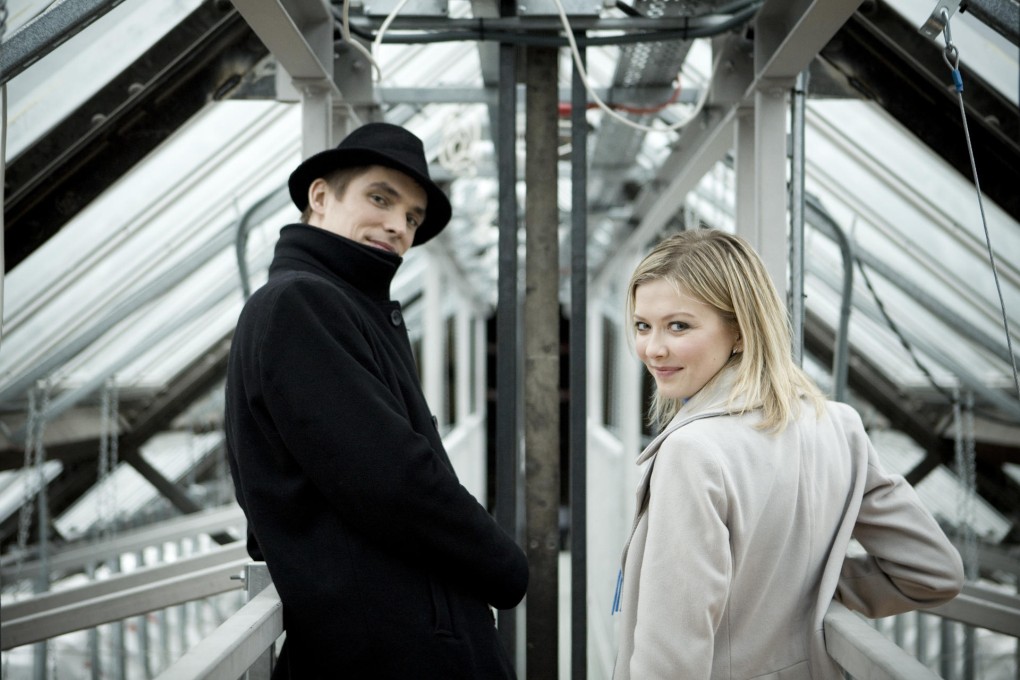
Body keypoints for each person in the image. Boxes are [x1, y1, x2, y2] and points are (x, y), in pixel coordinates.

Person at [224, 122, 528, 679]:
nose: (397, 226)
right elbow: (391, 476)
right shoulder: (302, 304)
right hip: (387, 645)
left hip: (391, 631)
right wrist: (506, 566)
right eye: (380, 198)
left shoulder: (343, 306)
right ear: (320, 196)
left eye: (412, 217)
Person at [612, 228, 964, 679]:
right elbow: (934, 572)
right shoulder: (838, 425)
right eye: (643, 325)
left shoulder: (691, 452)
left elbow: (670, 663)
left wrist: (774, 588)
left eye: (679, 325)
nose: (653, 348)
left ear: (740, 331)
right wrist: (801, 589)